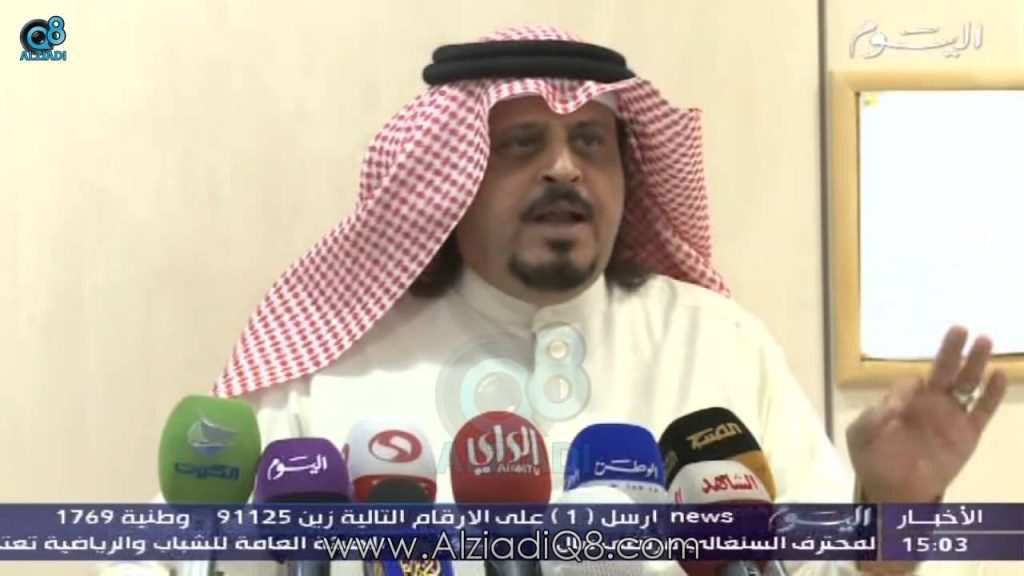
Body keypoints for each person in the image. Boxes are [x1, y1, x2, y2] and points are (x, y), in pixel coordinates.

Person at [110, 26, 1006, 576]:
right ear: (448, 177)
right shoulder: (330, 370)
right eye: (521, 144)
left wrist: (897, 508)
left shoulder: (719, 347)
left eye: (591, 141)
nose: (565, 169)